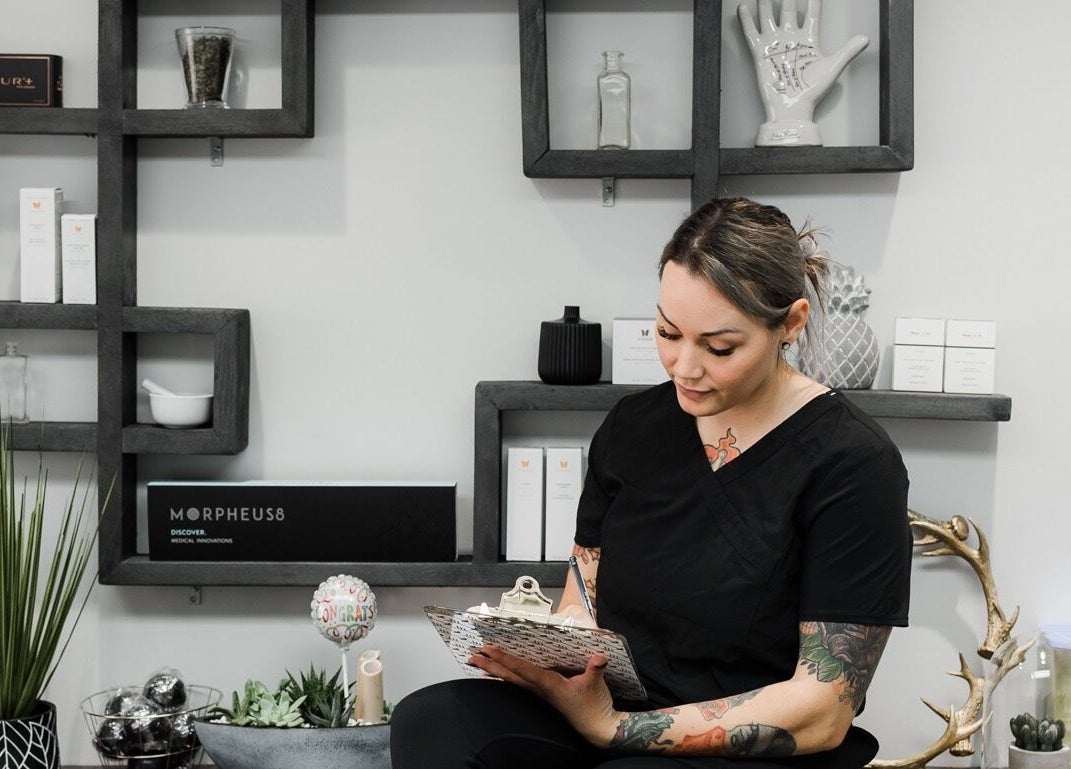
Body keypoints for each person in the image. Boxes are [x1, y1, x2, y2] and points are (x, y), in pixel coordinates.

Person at [390, 196, 912, 769]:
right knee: (433, 722)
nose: (684, 367)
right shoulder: (632, 428)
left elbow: (823, 708)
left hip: (751, 745)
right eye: (667, 333)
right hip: (606, 713)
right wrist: (547, 661)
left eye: (719, 348)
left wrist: (614, 730)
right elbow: (581, 601)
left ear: (789, 323)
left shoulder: (855, 464)